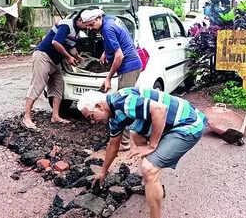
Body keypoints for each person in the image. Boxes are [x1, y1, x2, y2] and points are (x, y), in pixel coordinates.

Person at [77, 87, 208, 218]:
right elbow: (113, 144)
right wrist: (103, 172)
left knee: (148, 168)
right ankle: (152, 184)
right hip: (169, 124)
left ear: (99, 106)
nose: (93, 122)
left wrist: (152, 145)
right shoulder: (114, 117)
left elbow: (159, 109)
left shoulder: (121, 102)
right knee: (136, 134)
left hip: (187, 124)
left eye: (92, 117)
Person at [80, 8, 142, 151]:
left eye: (91, 25)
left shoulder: (107, 28)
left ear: (98, 18)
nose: (89, 28)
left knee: (123, 105)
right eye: (87, 25)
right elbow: (118, 40)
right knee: (122, 102)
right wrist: (105, 53)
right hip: (132, 64)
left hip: (128, 67)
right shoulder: (111, 20)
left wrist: (108, 78)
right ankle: (121, 138)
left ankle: (124, 142)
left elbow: (119, 56)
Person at [22, 9, 88, 129]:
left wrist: (78, 57)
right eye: (87, 24)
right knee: (38, 85)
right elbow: (55, 42)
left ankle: (55, 116)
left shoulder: (76, 31)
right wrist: (68, 57)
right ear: (80, 20)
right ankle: (26, 117)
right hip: (44, 56)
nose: (88, 27)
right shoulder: (66, 25)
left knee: (58, 85)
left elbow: (71, 47)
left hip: (55, 61)